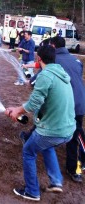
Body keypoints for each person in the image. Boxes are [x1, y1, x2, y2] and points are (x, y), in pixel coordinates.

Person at [5, 45, 76, 201]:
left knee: (28, 151)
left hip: (54, 131)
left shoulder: (45, 75)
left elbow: (34, 103)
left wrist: (17, 110)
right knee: (46, 145)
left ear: (38, 59)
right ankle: (56, 181)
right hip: (68, 130)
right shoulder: (61, 73)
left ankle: (32, 191)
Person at [50, 36, 85, 182]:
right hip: (80, 102)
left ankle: (74, 169)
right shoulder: (77, 61)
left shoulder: (54, 61)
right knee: (77, 132)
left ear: (53, 46)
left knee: (74, 136)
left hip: (68, 104)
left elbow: (40, 78)